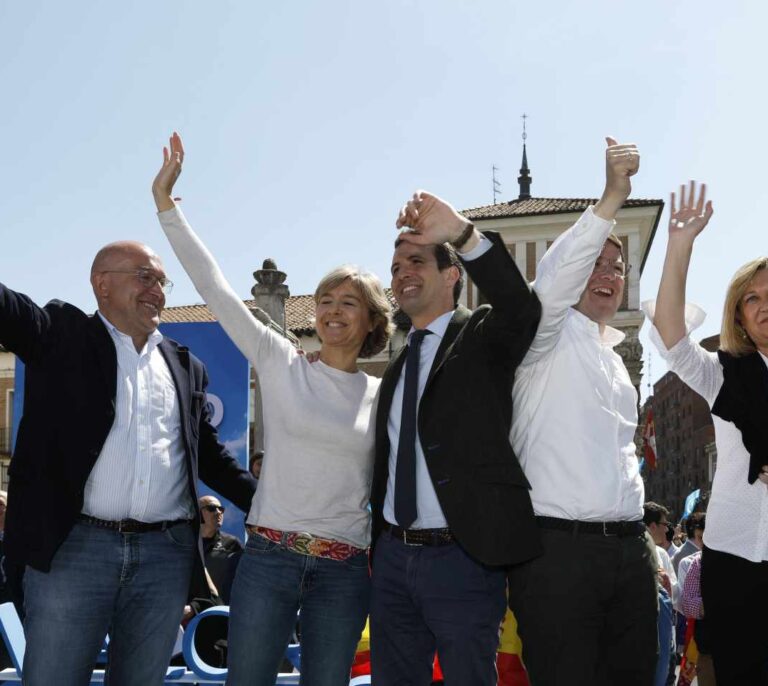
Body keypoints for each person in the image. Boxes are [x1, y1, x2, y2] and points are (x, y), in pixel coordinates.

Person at [152, 132, 392, 686]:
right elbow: (214, 288)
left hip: (344, 569)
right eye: (325, 299)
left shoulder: (383, 397)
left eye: (347, 302)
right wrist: (167, 207)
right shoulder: (280, 362)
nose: (331, 311)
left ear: (371, 321)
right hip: (269, 560)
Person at [0, 239, 257, 686]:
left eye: (161, 280)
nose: (157, 289)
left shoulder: (184, 365)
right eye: (144, 276)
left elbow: (211, 459)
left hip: (164, 557)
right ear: (102, 285)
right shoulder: (61, 334)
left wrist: (275, 506)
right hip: (74, 550)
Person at [369, 184, 542, 684]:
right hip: (394, 561)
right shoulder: (398, 366)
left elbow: (521, 307)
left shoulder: (482, 334)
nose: (402, 273)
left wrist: (462, 233)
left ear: (452, 277)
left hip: (463, 559)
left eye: (416, 261)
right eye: (396, 266)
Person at [506, 138, 658, 686]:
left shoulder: (617, 361)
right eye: (597, 262)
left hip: (628, 552)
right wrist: (613, 196)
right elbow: (553, 277)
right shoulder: (544, 335)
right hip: (557, 556)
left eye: (618, 266)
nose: (609, 274)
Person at [645, 179, 768, 684]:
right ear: (739, 312)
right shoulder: (724, 373)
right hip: (733, 558)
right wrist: (680, 246)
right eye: (752, 298)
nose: (764, 306)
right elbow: (673, 338)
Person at [644, 502, 678, 686]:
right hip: (647, 639)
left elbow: (676, 597)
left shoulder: (661, 554)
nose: (667, 531)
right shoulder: (638, 554)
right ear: (652, 526)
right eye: (665, 525)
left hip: (667, 638)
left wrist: (667, 584)